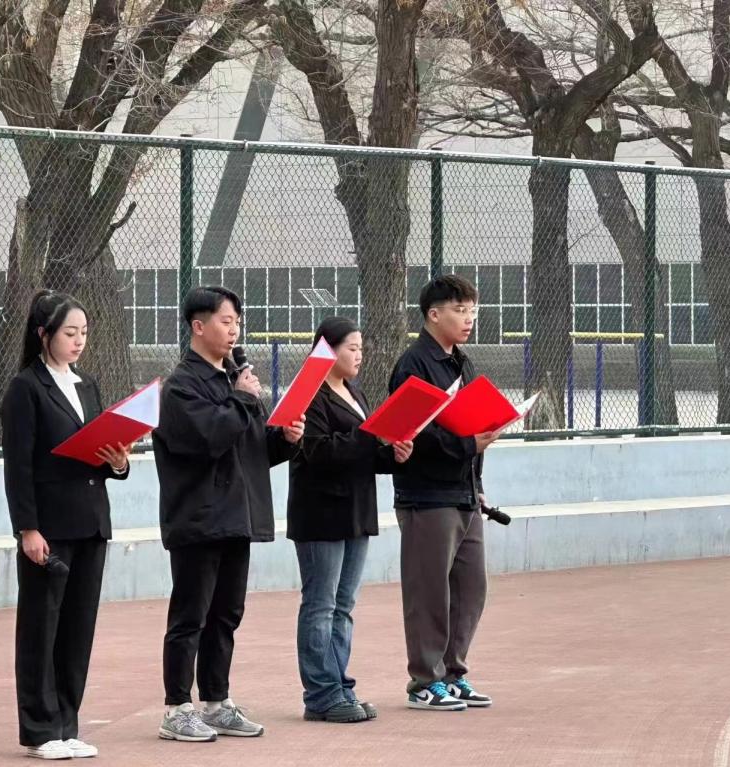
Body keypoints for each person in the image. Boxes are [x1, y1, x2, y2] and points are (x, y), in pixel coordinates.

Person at [152, 286, 305, 742]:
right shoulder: (181, 386)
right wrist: (242, 399)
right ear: (198, 326)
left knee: (226, 615)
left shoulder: (236, 380)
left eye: (237, 321)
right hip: (198, 519)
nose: (234, 329)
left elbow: (250, 448)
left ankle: (217, 702)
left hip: (238, 516)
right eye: (225, 321)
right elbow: (208, 439)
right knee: (190, 616)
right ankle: (177, 708)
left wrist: (285, 439)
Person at [1, 289, 132, 760]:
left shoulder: (87, 385)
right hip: (49, 528)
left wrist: (118, 462)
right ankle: (40, 730)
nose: (79, 341)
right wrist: (28, 529)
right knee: (42, 628)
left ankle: (66, 723)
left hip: (91, 522)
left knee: (78, 629)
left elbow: (95, 452)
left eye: (83, 333)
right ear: (44, 334)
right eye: (69, 333)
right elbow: (18, 467)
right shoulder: (26, 388)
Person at [287, 317, 413, 723]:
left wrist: (392, 455)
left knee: (343, 606)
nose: (359, 356)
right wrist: (371, 434)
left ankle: (339, 686)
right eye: (352, 348)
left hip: (356, 510)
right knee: (321, 605)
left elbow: (363, 454)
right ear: (327, 350)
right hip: (321, 513)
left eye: (361, 348)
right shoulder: (309, 395)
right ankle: (321, 694)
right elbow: (318, 452)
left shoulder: (354, 392)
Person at [389, 275, 499, 712]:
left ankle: (454, 674)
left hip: (465, 493)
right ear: (433, 315)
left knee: (471, 588)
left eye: (472, 310)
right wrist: (468, 445)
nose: (468, 319)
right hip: (427, 496)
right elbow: (414, 431)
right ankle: (424, 681)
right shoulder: (413, 365)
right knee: (429, 593)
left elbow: (470, 421)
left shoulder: (463, 363)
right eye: (459, 310)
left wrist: (477, 480)